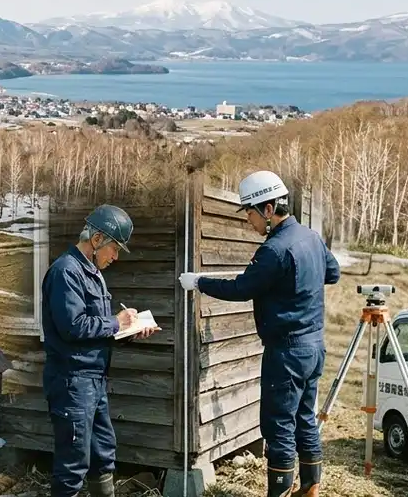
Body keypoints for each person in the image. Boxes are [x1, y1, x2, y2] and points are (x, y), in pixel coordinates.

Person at [179, 171, 340, 497]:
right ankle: (311, 489)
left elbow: (242, 289)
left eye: (250, 213)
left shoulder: (274, 249)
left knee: (278, 425)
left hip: (287, 351)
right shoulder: (311, 238)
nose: (248, 221)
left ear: (268, 209)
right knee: (305, 417)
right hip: (314, 346)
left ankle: (278, 493)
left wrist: (198, 282)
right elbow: (333, 273)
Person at [41, 204, 159, 497]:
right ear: (96, 240)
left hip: (94, 381)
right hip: (72, 381)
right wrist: (115, 321)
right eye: (114, 249)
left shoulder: (92, 272)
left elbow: (97, 331)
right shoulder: (66, 272)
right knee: (72, 466)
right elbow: (72, 326)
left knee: (102, 455)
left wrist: (129, 329)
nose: (116, 257)